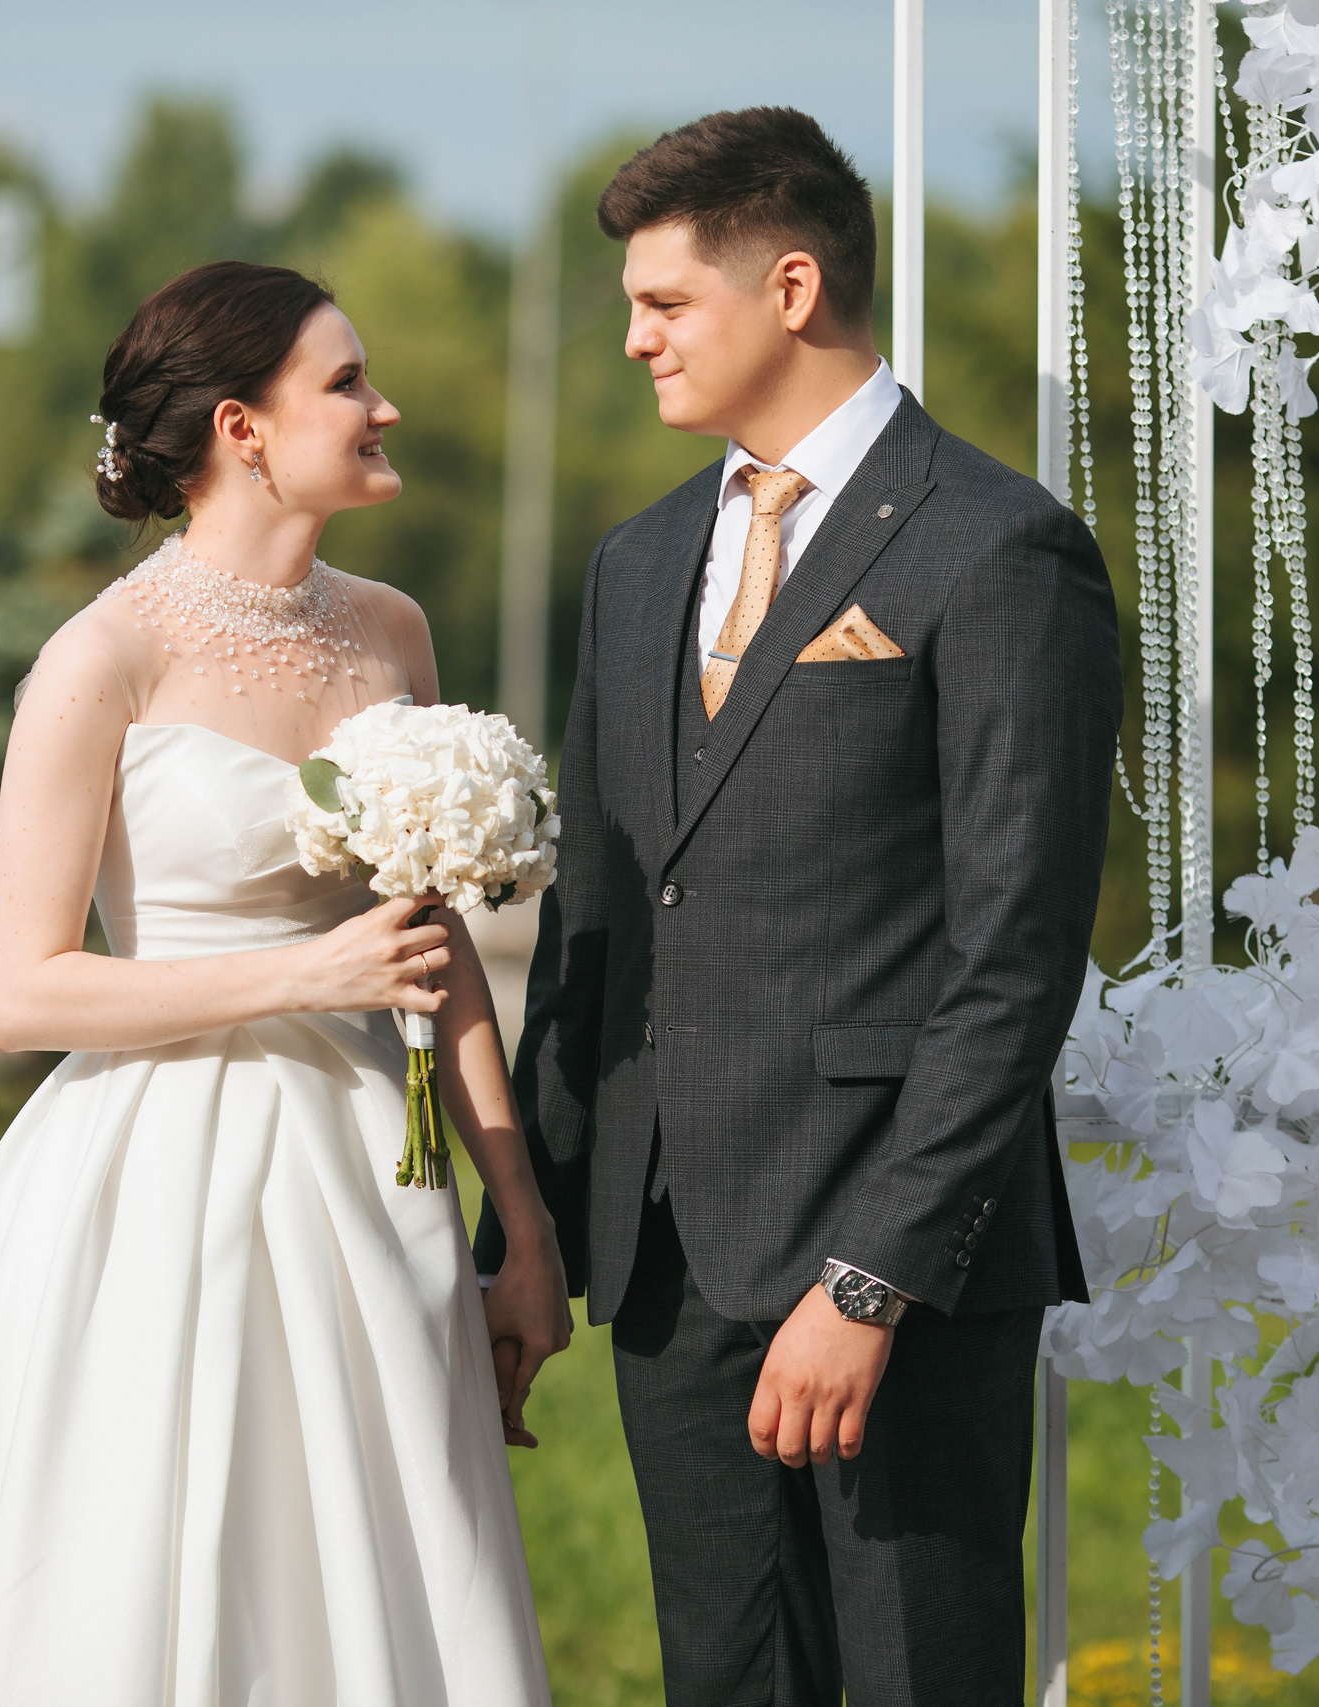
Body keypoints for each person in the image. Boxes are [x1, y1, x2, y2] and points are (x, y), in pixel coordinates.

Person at [0, 260, 571, 1707]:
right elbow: (27, 990)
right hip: (162, 1171)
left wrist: (523, 1231)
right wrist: (311, 968)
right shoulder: (100, 660)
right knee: (153, 1552)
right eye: (347, 382)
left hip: (376, 1178)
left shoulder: (392, 633)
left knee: (378, 1558)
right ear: (244, 427)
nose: (386, 405)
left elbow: (436, 963)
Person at [474, 108, 1120, 1706]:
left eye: (662, 303)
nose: (631, 341)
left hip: (885, 1266)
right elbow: (596, 926)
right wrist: (529, 1234)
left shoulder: (1001, 549)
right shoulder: (635, 568)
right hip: (667, 1262)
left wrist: (871, 1279)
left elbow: (1015, 957)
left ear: (791, 283)